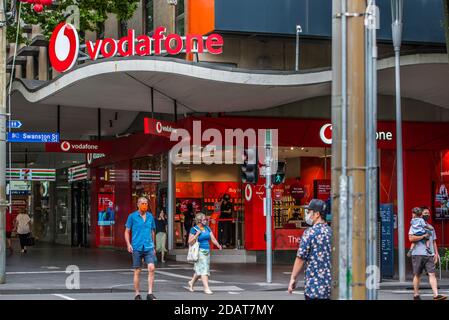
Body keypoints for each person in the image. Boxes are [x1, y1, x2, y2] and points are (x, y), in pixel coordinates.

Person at [288, 199, 332, 300]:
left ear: (317, 214)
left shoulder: (310, 233)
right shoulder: (331, 232)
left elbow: (300, 258)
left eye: (309, 212)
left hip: (314, 289)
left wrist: (293, 278)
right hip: (330, 287)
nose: (307, 215)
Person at [409, 206, 446, 300]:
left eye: (428, 214)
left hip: (429, 254)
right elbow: (411, 238)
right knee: (417, 274)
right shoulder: (414, 226)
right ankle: (416, 295)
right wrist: (423, 236)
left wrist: (436, 254)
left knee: (432, 274)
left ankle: (436, 295)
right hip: (417, 253)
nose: (427, 215)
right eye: (425, 213)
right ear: (421, 214)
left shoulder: (431, 227)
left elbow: (433, 241)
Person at [125, 197, 157, 300]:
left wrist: (153, 246)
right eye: (143, 203)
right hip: (137, 247)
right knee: (137, 270)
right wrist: (128, 244)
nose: (145, 205)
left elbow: (152, 231)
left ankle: (150, 293)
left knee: (151, 268)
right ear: (138, 204)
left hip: (148, 246)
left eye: (146, 203)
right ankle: (137, 294)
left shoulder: (150, 216)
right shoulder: (132, 216)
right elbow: (127, 231)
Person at [187, 213, 222, 295]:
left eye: (206, 219)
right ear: (199, 220)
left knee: (200, 269)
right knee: (204, 270)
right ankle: (206, 288)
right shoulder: (194, 229)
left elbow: (212, 238)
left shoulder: (207, 228)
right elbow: (189, 241)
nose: (206, 221)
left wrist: (218, 245)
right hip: (199, 251)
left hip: (207, 251)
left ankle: (191, 282)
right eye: (204, 219)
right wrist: (196, 235)